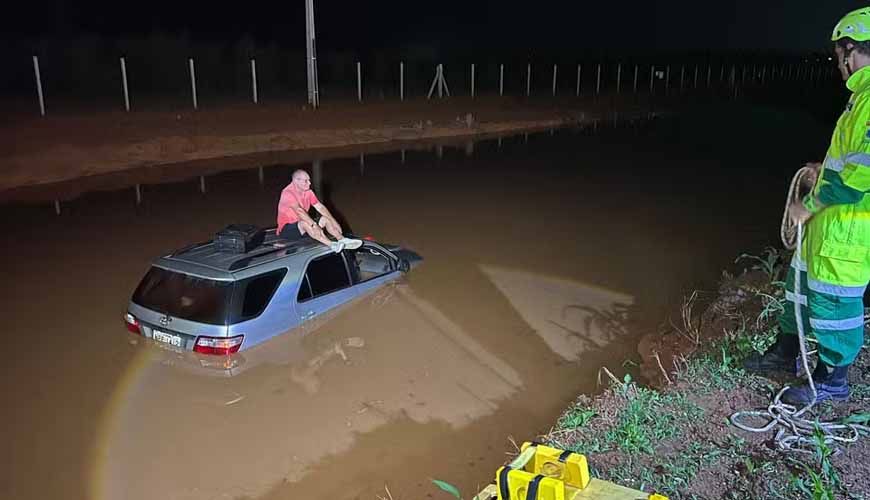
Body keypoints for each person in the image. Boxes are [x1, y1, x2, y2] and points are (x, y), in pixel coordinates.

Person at [745, 7, 870, 405]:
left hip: (846, 231)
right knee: (797, 289)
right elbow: (847, 162)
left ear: (852, 49)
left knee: (835, 305)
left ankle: (832, 379)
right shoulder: (860, 98)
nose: (837, 64)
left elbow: (858, 180)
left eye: (839, 55)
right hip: (828, 225)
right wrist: (820, 170)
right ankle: (786, 354)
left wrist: (808, 204)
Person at [276, 169, 362, 253]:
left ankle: (342, 239)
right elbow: (299, 211)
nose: (309, 183)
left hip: (302, 226)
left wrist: (334, 221)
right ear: (296, 181)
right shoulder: (287, 193)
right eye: (306, 181)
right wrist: (314, 225)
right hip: (286, 230)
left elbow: (320, 207)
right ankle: (332, 245)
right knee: (305, 223)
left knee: (325, 219)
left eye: (309, 180)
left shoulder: (308, 192)